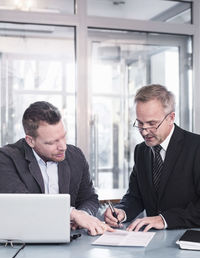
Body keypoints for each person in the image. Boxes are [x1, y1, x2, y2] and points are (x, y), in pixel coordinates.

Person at [0, 101, 112, 235]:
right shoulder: (7, 158)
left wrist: (83, 214)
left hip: (70, 242)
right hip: (26, 242)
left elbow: (89, 198)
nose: (63, 146)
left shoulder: (75, 156)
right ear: (30, 141)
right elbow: (23, 203)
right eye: (52, 142)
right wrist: (71, 213)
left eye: (63, 137)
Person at [105, 84, 200, 231]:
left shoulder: (196, 147)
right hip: (152, 242)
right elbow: (135, 196)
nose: (144, 132)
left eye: (152, 123)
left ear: (171, 118)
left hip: (188, 242)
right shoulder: (141, 151)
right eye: (140, 123)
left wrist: (164, 220)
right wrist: (122, 211)